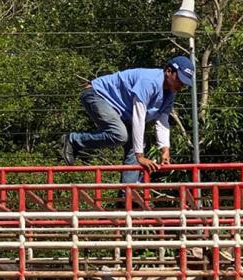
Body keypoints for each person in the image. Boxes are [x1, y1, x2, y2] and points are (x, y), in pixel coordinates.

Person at [61, 56, 194, 184]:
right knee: (120, 135)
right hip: (97, 95)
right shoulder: (149, 81)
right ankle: (73, 140)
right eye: (180, 79)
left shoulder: (170, 93)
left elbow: (162, 121)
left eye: (184, 82)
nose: (181, 85)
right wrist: (140, 156)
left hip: (122, 112)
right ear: (169, 71)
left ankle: (127, 196)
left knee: (136, 146)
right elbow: (139, 116)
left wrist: (165, 150)